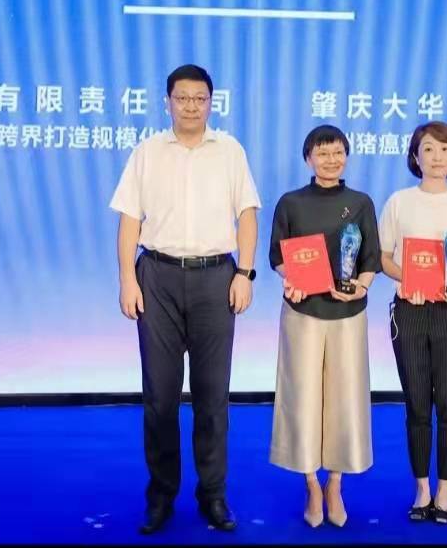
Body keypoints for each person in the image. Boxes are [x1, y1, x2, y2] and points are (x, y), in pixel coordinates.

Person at [109, 64, 261, 535]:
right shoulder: (147, 152)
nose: (191, 106)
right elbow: (129, 220)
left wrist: (244, 273)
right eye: (182, 98)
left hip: (216, 278)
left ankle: (213, 495)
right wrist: (127, 280)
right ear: (168, 102)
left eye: (199, 98)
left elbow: (247, 215)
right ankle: (161, 495)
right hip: (156, 278)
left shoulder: (230, 151)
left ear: (211, 103)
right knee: (160, 397)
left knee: (213, 397)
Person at [377, 121, 447, 525]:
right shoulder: (399, 202)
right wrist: (407, 279)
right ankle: (422, 488)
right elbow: (384, 257)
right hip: (410, 310)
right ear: (415, 156)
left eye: (444, 149)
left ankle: (446, 489)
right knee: (417, 404)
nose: (437, 157)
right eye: (428, 149)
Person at [268, 124, 380, 528]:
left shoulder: (360, 202)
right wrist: (292, 277)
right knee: (302, 396)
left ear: (346, 156)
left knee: (345, 398)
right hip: (303, 311)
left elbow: (371, 258)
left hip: (348, 313)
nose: (331, 160)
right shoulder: (291, 202)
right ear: (308, 158)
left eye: (337, 153)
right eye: (322, 153)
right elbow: (277, 256)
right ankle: (311, 483)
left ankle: (335, 482)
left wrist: (360, 287)